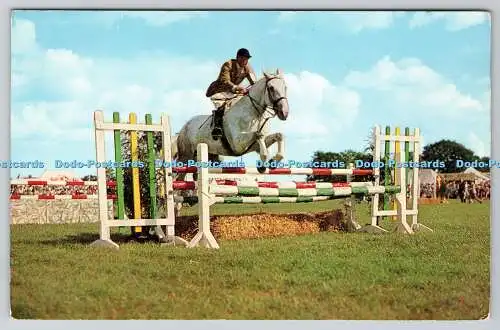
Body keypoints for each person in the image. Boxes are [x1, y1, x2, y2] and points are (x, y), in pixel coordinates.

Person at [205, 48, 257, 139]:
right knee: (221, 106)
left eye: (247, 59)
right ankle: (217, 127)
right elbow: (225, 81)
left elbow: (254, 81)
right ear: (238, 58)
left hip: (232, 92)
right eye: (244, 59)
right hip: (220, 90)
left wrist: (255, 88)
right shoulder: (228, 64)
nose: (245, 61)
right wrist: (237, 87)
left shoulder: (247, 67)